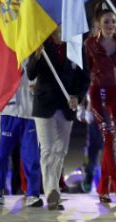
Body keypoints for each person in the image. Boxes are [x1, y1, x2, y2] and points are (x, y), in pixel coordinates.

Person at [28, 26, 88, 210]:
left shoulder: (76, 46)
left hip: (67, 105)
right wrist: (36, 56)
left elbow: (85, 77)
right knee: (48, 149)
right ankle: (52, 193)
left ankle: (53, 188)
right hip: (44, 105)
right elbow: (31, 74)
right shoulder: (42, 45)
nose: (61, 28)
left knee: (60, 150)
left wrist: (77, 96)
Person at [84, 1, 116, 203]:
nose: (111, 25)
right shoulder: (90, 45)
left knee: (113, 142)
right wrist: (83, 102)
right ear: (98, 23)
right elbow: (85, 74)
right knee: (109, 138)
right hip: (99, 96)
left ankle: (103, 189)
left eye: (113, 21)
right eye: (106, 21)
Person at [0, 60, 43, 207]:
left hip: (29, 113)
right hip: (8, 112)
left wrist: (38, 88)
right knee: (2, 154)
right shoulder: (5, 54)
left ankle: (33, 193)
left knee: (31, 156)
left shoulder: (36, 53)